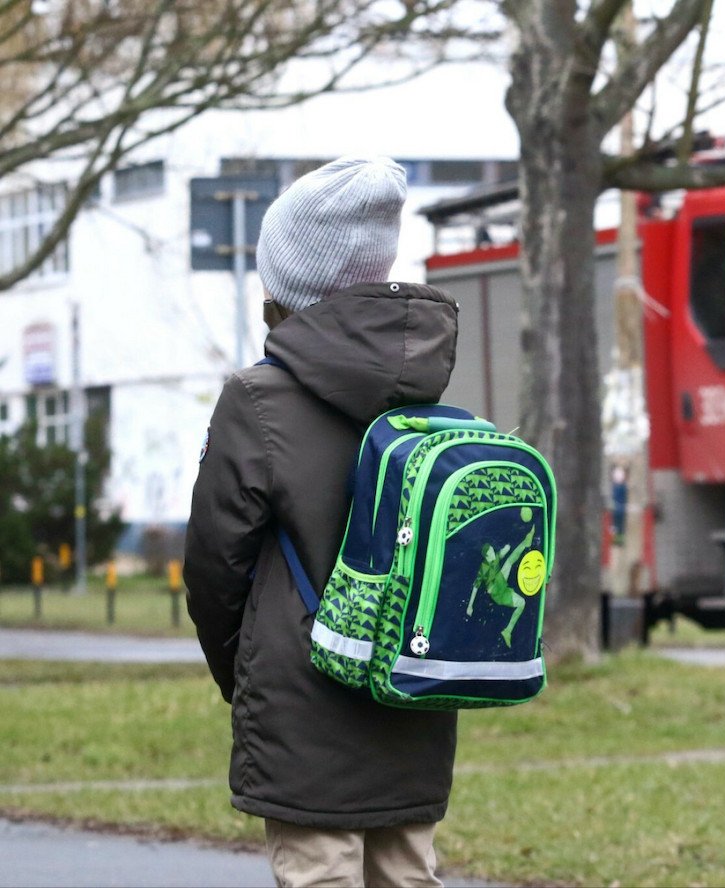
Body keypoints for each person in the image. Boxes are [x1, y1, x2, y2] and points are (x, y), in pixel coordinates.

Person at [184, 157, 461, 887]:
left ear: (288, 278)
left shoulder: (256, 402)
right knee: (409, 874)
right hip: (412, 696)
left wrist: (243, 683)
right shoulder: (428, 395)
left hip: (303, 711)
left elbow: (215, 572)